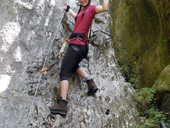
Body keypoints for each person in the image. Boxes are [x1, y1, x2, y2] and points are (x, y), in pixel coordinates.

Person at [50, 0, 109, 117]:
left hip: (77, 45)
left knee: (64, 73)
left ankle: (62, 105)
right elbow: (77, 17)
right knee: (74, 66)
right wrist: (68, 10)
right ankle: (90, 83)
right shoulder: (83, 11)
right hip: (82, 47)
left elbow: (104, 8)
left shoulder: (91, 8)